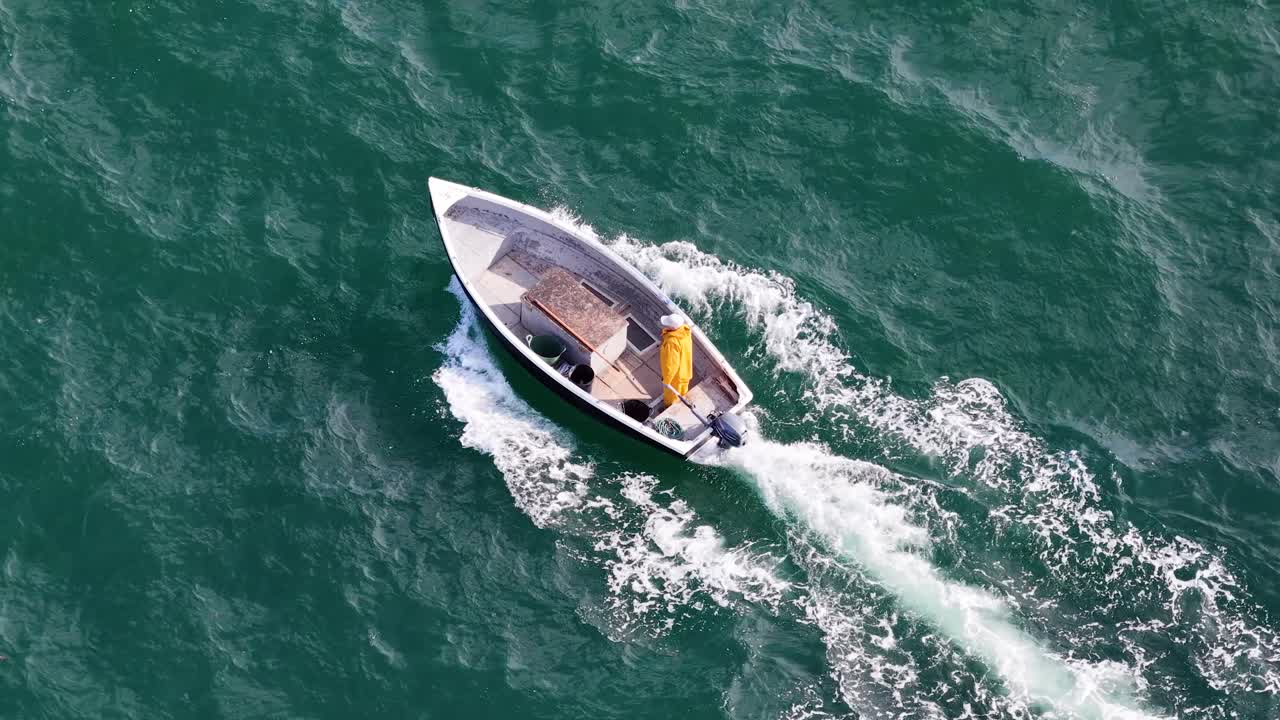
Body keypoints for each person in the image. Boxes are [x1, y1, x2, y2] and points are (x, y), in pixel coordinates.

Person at [659, 313, 693, 407]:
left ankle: (668, 407)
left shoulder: (672, 342)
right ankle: (681, 401)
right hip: (686, 371)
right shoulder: (686, 331)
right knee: (682, 391)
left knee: (671, 396)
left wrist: (667, 381)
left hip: (676, 377)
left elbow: (671, 365)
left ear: (672, 328)